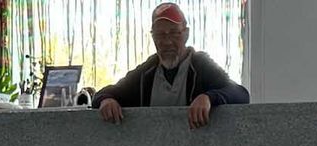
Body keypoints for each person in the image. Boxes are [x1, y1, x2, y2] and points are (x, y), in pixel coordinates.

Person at [95, 2, 249, 129]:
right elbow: (103, 95)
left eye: (174, 33)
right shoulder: (146, 72)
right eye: (160, 34)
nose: (167, 41)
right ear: (153, 38)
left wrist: (208, 98)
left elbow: (241, 94)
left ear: (186, 34)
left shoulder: (201, 65)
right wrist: (107, 100)